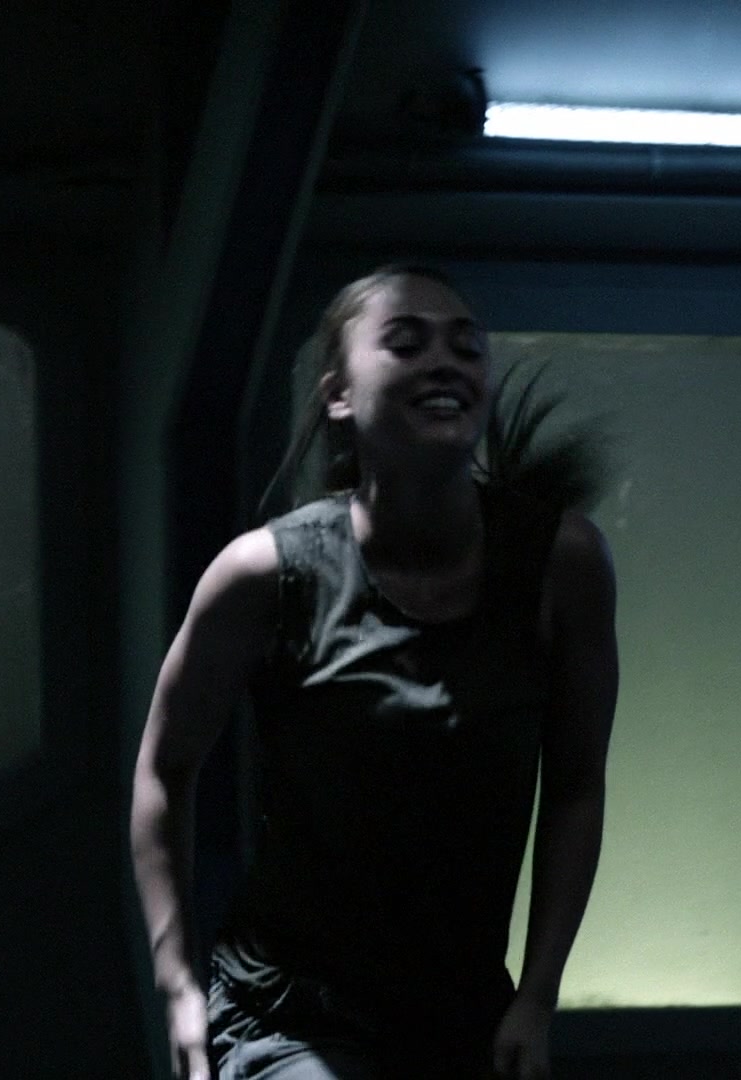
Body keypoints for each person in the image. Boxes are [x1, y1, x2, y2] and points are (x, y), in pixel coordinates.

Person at [131, 265, 619, 1080]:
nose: (444, 362)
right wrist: (177, 982)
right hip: (292, 1015)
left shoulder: (560, 564)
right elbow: (164, 767)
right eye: (405, 343)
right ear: (338, 395)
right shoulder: (265, 575)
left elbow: (575, 784)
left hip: (463, 1014)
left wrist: (537, 995)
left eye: (466, 347)